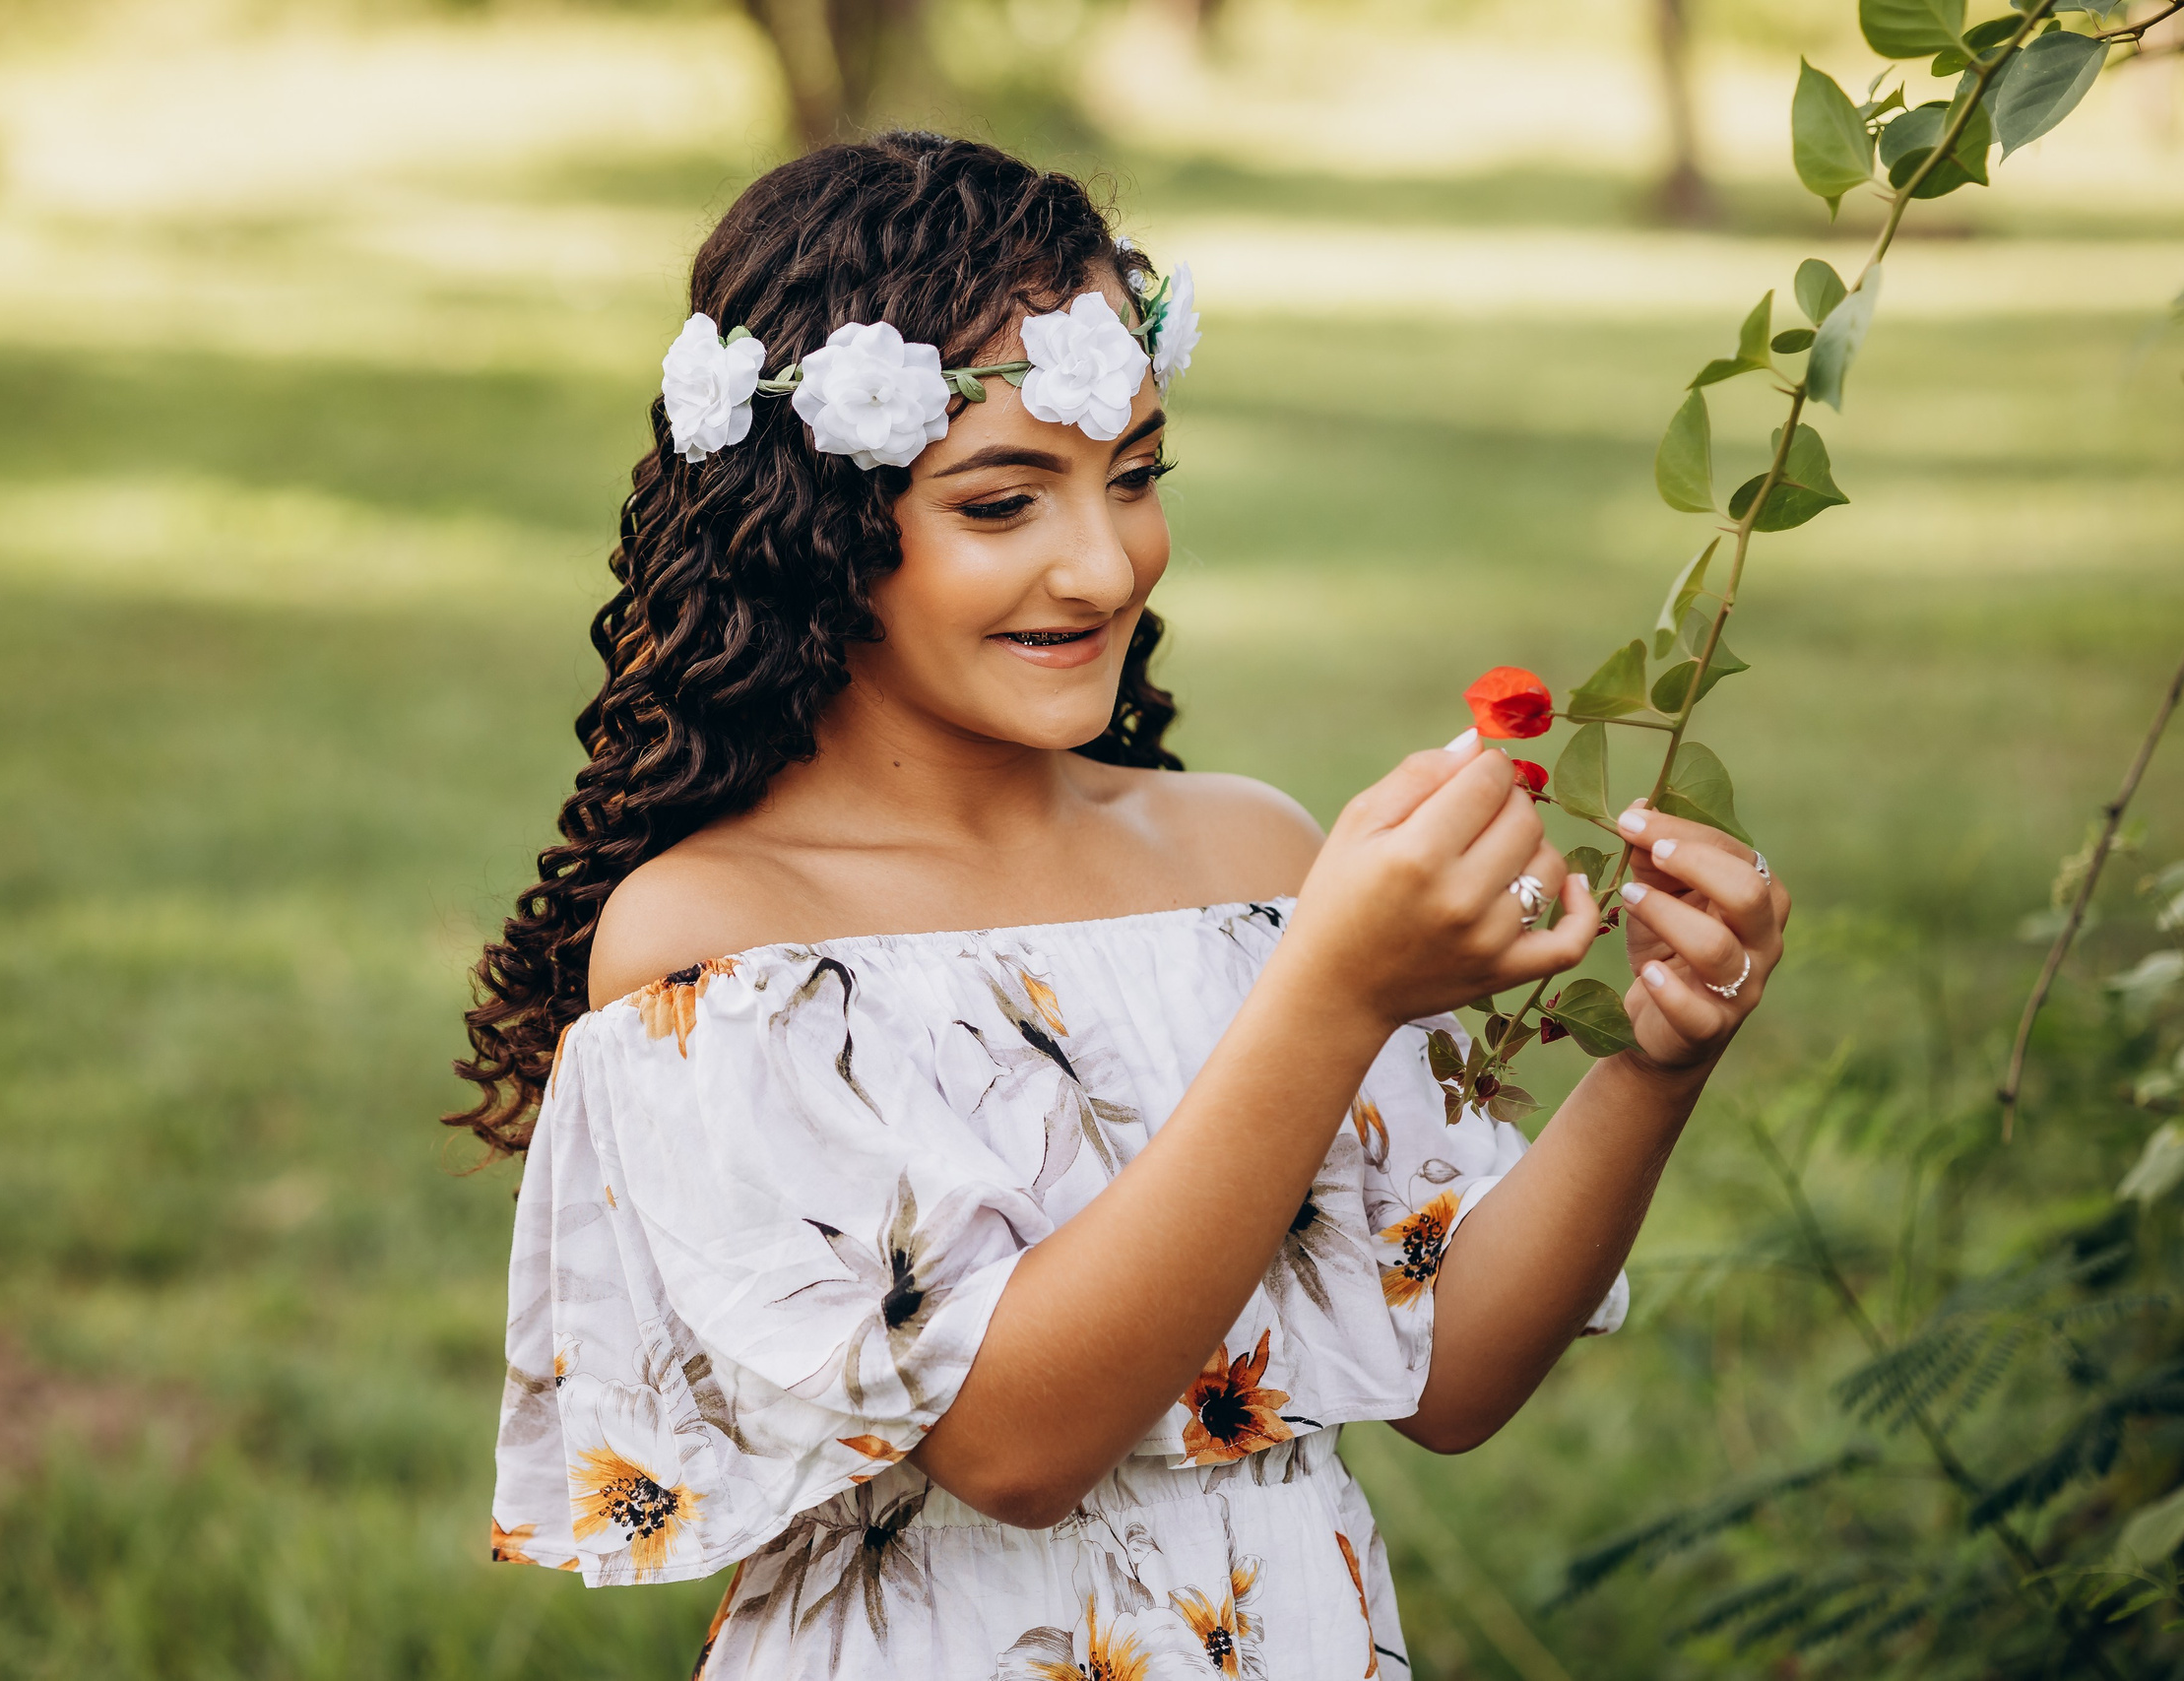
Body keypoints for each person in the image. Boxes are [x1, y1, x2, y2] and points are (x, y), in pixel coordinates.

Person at [452, 132, 1788, 1679]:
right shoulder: (727, 945)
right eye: (1005, 502)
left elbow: (1456, 1376)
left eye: (1137, 476)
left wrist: (1656, 1062)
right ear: (816, 518)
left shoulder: (1244, 859)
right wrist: (1338, 994)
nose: (1104, 563)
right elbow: (1014, 1448)